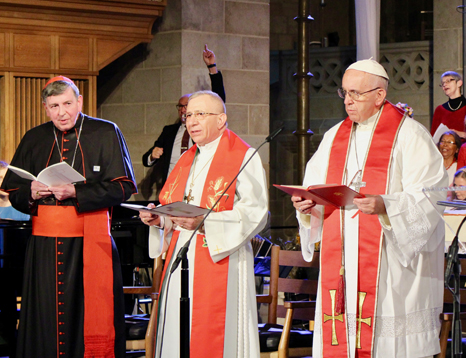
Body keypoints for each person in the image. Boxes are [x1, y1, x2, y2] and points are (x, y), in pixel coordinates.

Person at [291, 59, 447, 358]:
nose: (348, 100)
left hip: (391, 266)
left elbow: (432, 196)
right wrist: (306, 205)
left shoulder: (410, 135)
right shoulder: (334, 136)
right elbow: (315, 187)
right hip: (344, 262)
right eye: (344, 93)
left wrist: (386, 206)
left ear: (379, 95)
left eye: (356, 93)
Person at [0, 76, 137, 358]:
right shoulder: (34, 137)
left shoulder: (106, 132)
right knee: (45, 316)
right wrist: (31, 192)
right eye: (53, 106)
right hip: (43, 248)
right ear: (45, 108)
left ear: (79, 102)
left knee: (83, 313)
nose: (61, 112)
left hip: (88, 242)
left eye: (67, 103)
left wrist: (76, 192)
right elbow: (13, 189)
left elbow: (124, 186)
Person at [138, 90, 267, 358]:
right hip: (182, 254)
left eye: (200, 114)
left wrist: (207, 223)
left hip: (221, 254)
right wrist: (159, 219)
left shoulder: (243, 156)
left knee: (213, 332)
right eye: (188, 115)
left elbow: (256, 212)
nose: (191, 121)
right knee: (178, 329)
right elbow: (175, 207)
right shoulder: (188, 157)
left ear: (221, 120)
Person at [142, 45, 227, 190]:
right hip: (171, 190)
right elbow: (146, 159)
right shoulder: (169, 131)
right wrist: (153, 156)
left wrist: (212, 67)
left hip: (198, 189)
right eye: (180, 107)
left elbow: (218, 100)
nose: (183, 110)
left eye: (186, 106)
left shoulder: (203, 129)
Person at [431, 71, 466, 138]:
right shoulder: (439, 110)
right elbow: (433, 137)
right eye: (443, 83)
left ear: (459, 83)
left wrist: (460, 134)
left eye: (448, 81)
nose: (445, 85)